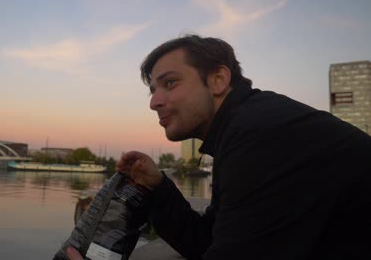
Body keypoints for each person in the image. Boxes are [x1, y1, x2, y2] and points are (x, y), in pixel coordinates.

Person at [67, 35, 371, 259]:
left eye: (169, 83)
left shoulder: (261, 133)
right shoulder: (242, 130)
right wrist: (159, 187)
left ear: (218, 80)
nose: (154, 102)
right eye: (152, 90)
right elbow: (207, 241)